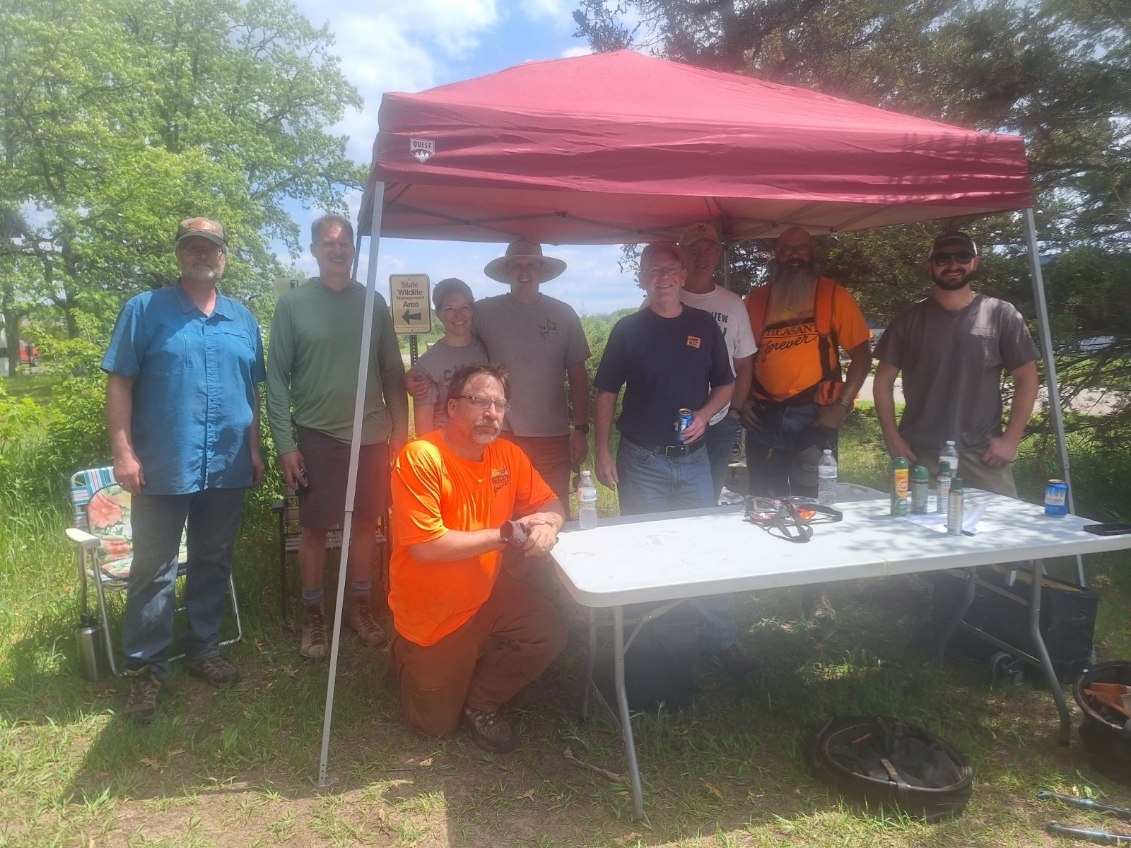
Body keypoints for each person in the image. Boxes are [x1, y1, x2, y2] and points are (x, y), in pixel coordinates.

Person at [103, 217, 265, 723]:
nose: (203, 254)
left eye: (211, 248)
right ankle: (146, 671)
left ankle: (203, 650)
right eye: (193, 247)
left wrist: (255, 449)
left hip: (229, 462)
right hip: (162, 465)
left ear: (224, 256)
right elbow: (120, 383)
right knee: (154, 568)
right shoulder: (144, 310)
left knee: (214, 559)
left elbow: (252, 392)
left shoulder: (243, 319)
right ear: (179, 255)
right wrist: (123, 452)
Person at [388, 362, 568, 753]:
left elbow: (551, 503)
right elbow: (426, 546)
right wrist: (507, 534)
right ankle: (406, 652)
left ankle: (481, 699)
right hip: (433, 608)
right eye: (480, 401)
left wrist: (548, 526)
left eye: (500, 405)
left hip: (486, 590)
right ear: (452, 408)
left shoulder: (508, 455)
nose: (491, 413)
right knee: (433, 726)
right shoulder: (421, 457)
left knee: (549, 632)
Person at [594, 241, 753, 675]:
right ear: (643, 277)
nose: (662, 277)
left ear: (682, 276)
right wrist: (601, 452)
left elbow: (726, 382)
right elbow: (606, 393)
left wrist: (704, 415)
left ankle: (720, 640)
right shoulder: (628, 329)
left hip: (693, 459)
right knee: (643, 551)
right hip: (640, 460)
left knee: (704, 550)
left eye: (670, 270)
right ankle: (644, 647)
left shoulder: (703, 324)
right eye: (653, 270)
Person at [266, 214, 408, 659]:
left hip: (371, 436)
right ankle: (314, 615)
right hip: (317, 436)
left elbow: (391, 372)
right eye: (329, 243)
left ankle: (361, 607)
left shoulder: (374, 303)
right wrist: (286, 445)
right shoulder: (293, 305)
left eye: (345, 242)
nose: (338, 249)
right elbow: (275, 380)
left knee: (366, 523)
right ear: (314, 250)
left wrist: (401, 436)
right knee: (314, 527)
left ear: (353, 249)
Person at [408, 238, 590, 508]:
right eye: (517, 265)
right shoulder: (483, 311)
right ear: (507, 272)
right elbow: (456, 338)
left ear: (541, 270)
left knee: (553, 509)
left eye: (531, 265)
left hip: (553, 437)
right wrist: (413, 375)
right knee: (501, 513)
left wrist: (582, 429)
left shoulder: (563, 315)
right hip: (499, 434)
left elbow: (578, 375)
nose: (524, 272)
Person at [873, 231, 1039, 496]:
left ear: (975, 262)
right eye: (942, 259)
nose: (953, 265)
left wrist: (1010, 440)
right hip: (920, 456)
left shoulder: (1001, 314)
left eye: (962, 257)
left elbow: (1027, 378)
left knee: (998, 535)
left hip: (983, 455)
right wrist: (893, 439)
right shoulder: (908, 319)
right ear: (930, 266)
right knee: (914, 533)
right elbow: (882, 381)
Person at [740, 227, 873, 500]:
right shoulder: (755, 301)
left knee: (812, 503)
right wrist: (741, 401)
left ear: (811, 253)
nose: (794, 256)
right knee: (763, 504)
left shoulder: (833, 295)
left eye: (801, 249)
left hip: (814, 417)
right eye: (787, 250)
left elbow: (862, 356)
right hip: (763, 418)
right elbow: (739, 359)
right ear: (777, 255)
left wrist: (841, 406)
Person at [676, 222, 757, 502]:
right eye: (693, 249)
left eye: (708, 248)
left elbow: (744, 365)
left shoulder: (733, 304)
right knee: (672, 500)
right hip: (674, 421)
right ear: (681, 254)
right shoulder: (662, 298)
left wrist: (734, 412)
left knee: (707, 500)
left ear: (718, 254)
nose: (701, 256)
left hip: (720, 422)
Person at [409, 278, 488, 435]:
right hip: (447, 450)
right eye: (450, 309)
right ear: (438, 313)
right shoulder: (427, 365)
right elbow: (424, 430)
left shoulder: (487, 346)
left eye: (464, 307)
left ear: (472, 310)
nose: (458, 315)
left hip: (484, 446)